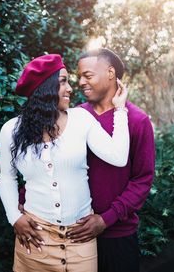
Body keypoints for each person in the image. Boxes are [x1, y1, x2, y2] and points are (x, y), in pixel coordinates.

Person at [0, 53, 130, 272]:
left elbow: (118, 156)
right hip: (35, 237)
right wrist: (14, 217)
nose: (70, 88)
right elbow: (7, 177)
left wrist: (120, 109)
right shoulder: (11, 130)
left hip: (80, 238)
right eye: (63, 82)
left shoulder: (81, 119)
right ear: (45, 88)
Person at [66, 48, 155, 272]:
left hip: (118, 237)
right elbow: (57, 163)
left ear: (110, 73)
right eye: (79, 77)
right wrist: (23, 197)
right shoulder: (76, 115)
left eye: (88, 75)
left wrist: (106, 219)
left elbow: (142, 180)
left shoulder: (137, 120)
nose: (81, 83)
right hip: (75, 232)